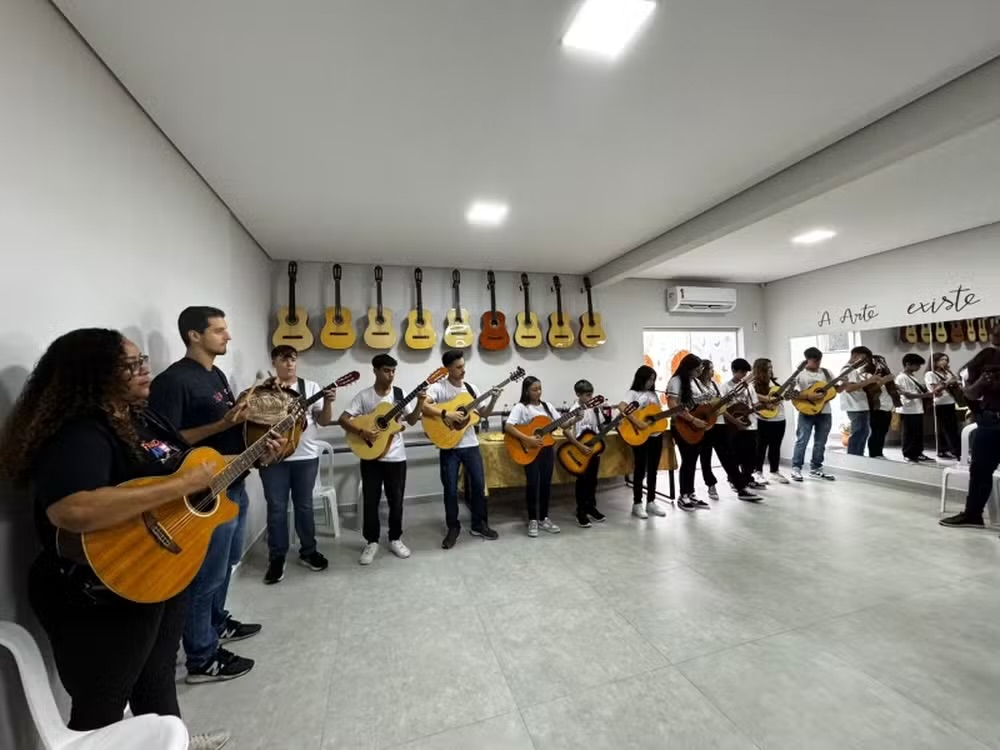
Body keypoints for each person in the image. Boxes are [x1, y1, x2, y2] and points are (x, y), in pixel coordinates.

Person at [0, 328, 281, 748]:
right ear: (92, 375)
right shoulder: (80, 431)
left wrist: (250, 456)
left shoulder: (140, 415)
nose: (144, 369)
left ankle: (172, 738)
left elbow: (188, 466)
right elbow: (70, 509)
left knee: (157, 678)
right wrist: (178, 487)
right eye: (130, 365)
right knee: (102, 705)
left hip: (157, 571)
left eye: (142, 360)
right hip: (100, 587)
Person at [148, 306, 261, 684]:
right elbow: (163, 442)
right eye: (219, 330)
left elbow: (225, 430)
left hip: (233, 481)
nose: (227, 337)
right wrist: (222, 422)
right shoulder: (173, 382)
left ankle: (215, 624)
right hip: (203, 496)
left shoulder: (216, 375)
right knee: (205, 577)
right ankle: (202, 656)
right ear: (194, 335)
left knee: (226, 565)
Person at [259, 345, 336, 584]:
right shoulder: (265, 390)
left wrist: (329, 402)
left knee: (304, 506)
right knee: (277, 508)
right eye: (283, 360)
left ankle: (308, 551)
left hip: (305, 456)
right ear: (274, 363)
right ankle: (277, 557)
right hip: (273, 458)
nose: (290, 364)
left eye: (293, 359)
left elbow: (323, 421)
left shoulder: (310, 388)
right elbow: (256, 421)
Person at [339, 353, 425, 565]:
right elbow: (343, 419)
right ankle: (371, 541)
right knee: (370, 501)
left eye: (393, 370)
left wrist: (421, 402)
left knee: (396, 502)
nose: (391, 375)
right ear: (376, 370)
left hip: (396, 458)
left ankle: (395, 538)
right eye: (386, 370)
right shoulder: (364, 396)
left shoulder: (400, 394)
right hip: (371, 458)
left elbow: (412, 421)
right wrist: (362, 432)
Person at [423, 350, 500, 548]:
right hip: (449, 446)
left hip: (470, 445)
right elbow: (424, 406)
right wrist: (446, 413)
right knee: (450, 489)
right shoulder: (439, 387)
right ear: (447, 368)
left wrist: (493, 399)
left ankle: (478, 524)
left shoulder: (471, 389)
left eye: (463, 366)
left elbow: (482, 414)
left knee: (478, 485)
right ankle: (453, 528)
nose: (462, 371)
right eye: (458, 367)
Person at [940, 321, 1000, 528]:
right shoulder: (987, 357)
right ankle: (973, 514)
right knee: (980, 470)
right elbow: (970, 393)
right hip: (991, 421)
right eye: (994, 330)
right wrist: (983, 382)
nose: (995, 333)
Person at [505, 376, 561, 537]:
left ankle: (544, 518)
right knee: (533, 484)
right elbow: (509, 426)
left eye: (540, 389)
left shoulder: (548, 407)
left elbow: (561, 423)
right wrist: (527, 439)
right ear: (526, 391)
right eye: (534, 389)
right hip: (530, 449)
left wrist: (575, 416)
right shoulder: (521, 407)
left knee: (545, 484)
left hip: (547, 449)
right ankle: (532, 520)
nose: (538, 392)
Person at [625, 364, 673, 515]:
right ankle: (637, 503)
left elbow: (656, 414)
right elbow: (623, 407)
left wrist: (671, 412)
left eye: (653, 380)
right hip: (640, 435)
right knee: (640, 469)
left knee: (653, 470)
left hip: (655, 436)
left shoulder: (654, 395)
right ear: (641, 379)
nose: (651, 383)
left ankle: (651, 501)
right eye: (649, 379)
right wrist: (638, 422)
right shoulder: (632, 393)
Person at [696, 360, 742, 500]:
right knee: (706, 456)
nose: (713, 371)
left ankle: (737, 482)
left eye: (713, 368)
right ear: (703, 370)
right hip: (705, 425)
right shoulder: (696, 386)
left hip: (720, 424)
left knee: (728, 454)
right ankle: (710, 484)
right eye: (710, 369)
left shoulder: (716, 385)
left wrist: (733, 420)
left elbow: (722, 407)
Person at [564, 379, 607, 528]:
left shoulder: (595, 408)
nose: (590, 398)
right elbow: (566, 430)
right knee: (582, 481)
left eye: (591, 394)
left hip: (594, 449)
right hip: (580, 450)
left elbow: (600, 426)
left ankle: (591, 506)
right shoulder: (574, 409)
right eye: (587, 395)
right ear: (578, 394)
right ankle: (580, 510)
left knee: (593, 480)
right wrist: (578, 446)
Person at [790, 347, 837, 482]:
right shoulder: (799, 374)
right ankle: (796, 468)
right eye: (814, 361)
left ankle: (816, 468)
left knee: (821, 442)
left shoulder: (827, 373)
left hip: (825, 411)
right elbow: (790, 393)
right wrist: (808, 395)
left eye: (819, 361)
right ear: (807, 360)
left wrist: (844, 385)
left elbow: (834, 390)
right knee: (802, 440)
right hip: (806, 411)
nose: (817, 364)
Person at [722, 359, 767, 495]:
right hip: (733, 427)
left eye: (746, 372)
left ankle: (748, 478)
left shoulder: (749, 387)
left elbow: (755, 404)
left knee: (751, 455)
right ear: (734, 371)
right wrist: (735, 420)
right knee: (735, 455)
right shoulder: (725, 387)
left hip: (751, 424)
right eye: (742, 372)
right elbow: (723, 408)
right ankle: (733, 480)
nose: (744, 375)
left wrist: (764, 405)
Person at [752, 358, 790, 484]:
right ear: (761, 369)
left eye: (771, 367)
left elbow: (781, 398)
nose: (771, 370)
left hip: (779, 419)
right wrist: (767, 400)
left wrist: (788, 394)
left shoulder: (775, 383)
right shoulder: (753, 384)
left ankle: (774, 471)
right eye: (768, 367)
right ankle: (758, 472)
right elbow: (753, 398)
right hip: (763, 420)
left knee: (776, 446)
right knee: (760, 446)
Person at [894, 353, 936, 464]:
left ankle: (918, 452)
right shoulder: (901, 378)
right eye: (916, 365)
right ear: (908, 364)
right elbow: (907, 394)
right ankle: (908, 454)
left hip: (917, 408)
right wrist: (925, 396)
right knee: (909, 433)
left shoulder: (912, 376)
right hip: (908, 410)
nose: (918, 368)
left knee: (918, 433)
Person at [840, 346, 881, 456]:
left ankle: (858, 456)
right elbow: (849, 388)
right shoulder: (848, 369)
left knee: (863, 433)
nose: (864, 362)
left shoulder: (854, 370)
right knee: (859, 434)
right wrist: (869, 381)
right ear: (855, 355)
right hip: (856, 406)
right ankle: (854, 458)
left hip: (859, 405)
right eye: (863, 359)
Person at [926, 352, 961, 460]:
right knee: (946, 428)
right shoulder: (930, 374)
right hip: (940, 403)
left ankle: (950, 449)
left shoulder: (947, 372)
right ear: (935, 361)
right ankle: (954, 451)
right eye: (941, 360)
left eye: (946, 360)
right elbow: (934, 390)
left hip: (950, 402)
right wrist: (948, 382)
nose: (944, 362)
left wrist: (956, 382)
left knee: (953, 428)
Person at [866, 355, 896, 459]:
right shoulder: (869, 375)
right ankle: (873, 453)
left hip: (887, 406)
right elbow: (870, 390)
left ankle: (879, 452)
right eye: (878, 362)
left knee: (883, 431)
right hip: (877, 407)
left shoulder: (885, 374)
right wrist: (884, 380)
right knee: (876, 431)